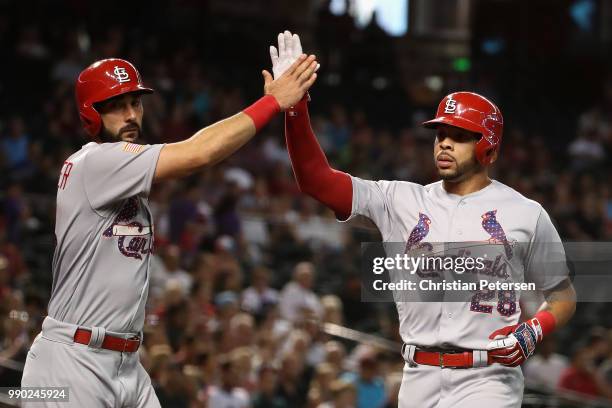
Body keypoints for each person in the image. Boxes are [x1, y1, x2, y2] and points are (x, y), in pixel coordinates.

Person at [271, 31, 576, 407]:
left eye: (460, 136)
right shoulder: (399, 198)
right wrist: (294, 108)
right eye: (440, 133)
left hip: (489, 380)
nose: (444, 143)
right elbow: (315, 180)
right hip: (417, 377)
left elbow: (562, 295)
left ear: (488, 149)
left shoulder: (526, 213)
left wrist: (534, 329)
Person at [21, 54, 318, 407]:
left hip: (126, 361)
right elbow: (199, 153)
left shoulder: (123, 177)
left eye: (135, 102)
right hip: (73, 361)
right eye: (116, 106)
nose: (131, 114)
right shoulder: (95, 163)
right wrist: (272, 102)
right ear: (90, 113)